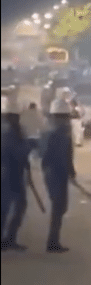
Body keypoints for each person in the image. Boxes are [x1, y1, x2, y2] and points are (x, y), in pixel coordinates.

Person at [40, 97, 77, 253]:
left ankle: (53, 240)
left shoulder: (49, 133)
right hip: (57, 175)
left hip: (53, 174)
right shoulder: (61, 134)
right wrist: (69, 172)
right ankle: (52, 242)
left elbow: (45, 157)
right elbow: (64, 157)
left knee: (59, 208)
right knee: (59, 208)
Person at [1, 98, 31, 251]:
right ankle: (7, 240)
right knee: (6, 209)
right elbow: (17, 152)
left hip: (13, 174)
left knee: (17, 207)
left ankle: (9, 239)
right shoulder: (9, 132)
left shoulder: (16, 130)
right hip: (8, 174)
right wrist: (27, 148)